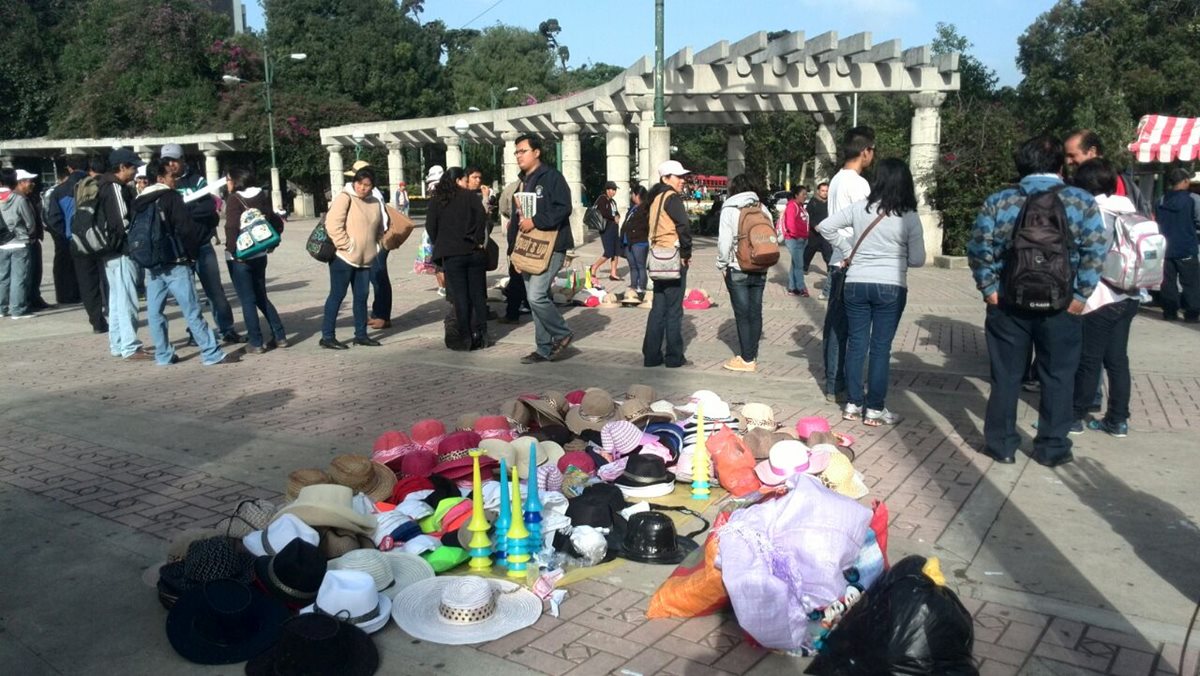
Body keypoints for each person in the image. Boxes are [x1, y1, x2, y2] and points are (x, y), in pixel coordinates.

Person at [968, 135, 1107, 468]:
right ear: (1060, 165)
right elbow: (1096, 251)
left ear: (1021, 164)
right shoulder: (1081, 201)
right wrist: (1079, 297)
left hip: (1007, 303)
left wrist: (989, 289)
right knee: (1058, 376)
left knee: (1006, 376)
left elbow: (978, 248)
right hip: (1061, 307)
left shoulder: (999, 201)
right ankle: (1052, 447)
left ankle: (1001, 444)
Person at [819, 159, 926, 425]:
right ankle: (875, 409)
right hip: (891, 286)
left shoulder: (859, 208)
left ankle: (853, 404)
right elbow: (918, 259)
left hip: (855, 283)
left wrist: (847, 251)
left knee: (857, 344)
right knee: (880, 348)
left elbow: (825, 227)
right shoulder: (909, 216)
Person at [134, 161, 235, 366]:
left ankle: (163, 354)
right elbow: (185, 228)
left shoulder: (139, 200)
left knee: (155, 312)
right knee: (191, 308)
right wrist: (191, 254)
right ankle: (210, 352)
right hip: (175, 261)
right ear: (161, 179)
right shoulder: (170, 197)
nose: (175, 180)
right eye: (171, 177)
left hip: (151, 264)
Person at [1069, 159, 1140, 438]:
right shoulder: (1127, 207)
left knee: (1089, 359)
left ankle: (1074, 416)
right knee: (1117, 360)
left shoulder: (1096, 212)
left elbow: (1089, 256)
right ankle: (1117, 420)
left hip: (1102, 296)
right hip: (1131, 294)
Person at [160, 143, 244, 345]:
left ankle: (227, 328)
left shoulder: (197, 180)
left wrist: (182, 212)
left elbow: (209, 209)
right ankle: (195, 333)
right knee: (189, 296)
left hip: (202, 246)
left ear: (182, 160)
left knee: (215, 291)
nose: (171, 165)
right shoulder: (163, 184)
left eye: (174, 160)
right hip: (179, 250)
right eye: (167, 161)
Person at [821, 127, 876, 403]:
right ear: (865, 151)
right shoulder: (859, 184)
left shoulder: (836, 180)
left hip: (836, 260)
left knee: (835, 324)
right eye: (872, 150)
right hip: (850, 261)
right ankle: (837, 383)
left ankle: (832, 380)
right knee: (848, 329)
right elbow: (865, 223)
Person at [511, 135, 574, 364]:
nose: (519, 155)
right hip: (528, 247)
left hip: (552, 245)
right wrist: (514, 252)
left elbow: (564, 208)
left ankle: (562, 333)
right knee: (536, 297)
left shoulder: (552, 177)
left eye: (523, 151)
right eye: (516, 152)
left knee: (536, 296)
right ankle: (543, 348)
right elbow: (515, 221)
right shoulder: (522, 182)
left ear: (537, 152)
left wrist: (536, 221)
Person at [223, 167, 289, 354]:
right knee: (261, 296)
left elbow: (231, 228)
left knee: (247, 300)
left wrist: (233, 252)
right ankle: (280, 335)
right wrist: (271, 244)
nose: (227, 183)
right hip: (260, 255)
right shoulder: (262, 196)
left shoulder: (234, 199)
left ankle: (256, 341)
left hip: (241, 257)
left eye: (229, 179)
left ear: (237, 180)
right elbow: (276, 222)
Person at [427, 167, 491, 351]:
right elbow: (481, 219)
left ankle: (466, 338)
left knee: (460, 297)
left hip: (452, 254)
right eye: (464, 179)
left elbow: (431, 228)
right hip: (474, 252)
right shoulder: (471, 197)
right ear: (457, 181)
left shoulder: (437, 201)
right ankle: (482, 334)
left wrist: (443, 242)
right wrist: (476, 239)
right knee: (478, 295)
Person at [321, 167, 384, 349]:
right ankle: (327, 336)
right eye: (360, 184)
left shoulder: (374, 202)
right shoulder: (344, 197)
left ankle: (361, 334)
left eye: (367, 185)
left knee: (362, 297)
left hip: (366, 259)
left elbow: (379, 226)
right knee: (337, 295)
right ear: (355, 182)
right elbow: (333, 225)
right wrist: (347, 245)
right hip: (343, 258)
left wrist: (376, 245)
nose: (363, 188)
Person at [99, 149, 151, 360]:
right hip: (121, 250)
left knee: (116, 299)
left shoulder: (102, 184)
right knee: (127, 298)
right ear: (121, 167)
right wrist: (135, 242)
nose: (136, 171)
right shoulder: (114, 187)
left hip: (108, 250)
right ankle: (130, 345)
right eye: (133, 167)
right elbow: (122, 221)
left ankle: (118, 343)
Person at [642, 160, 694, 368]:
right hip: (673, 257)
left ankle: (651, 355)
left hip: (656, 257)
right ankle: (674, 357)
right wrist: (687, 252)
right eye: (678, 176)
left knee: (658, 308)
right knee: (674, 310)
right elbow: (684, 226)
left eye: (683, 177)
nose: (682, 180)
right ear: (666, 178)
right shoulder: (672, 198)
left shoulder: (654, 199)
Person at [718, 174, 772, 373]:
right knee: (755, 311)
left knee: (742, 313)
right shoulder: (763, 209)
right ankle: (752, 353)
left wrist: (722, 265)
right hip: (761, 266)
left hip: (738, 266)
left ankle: (747, 358)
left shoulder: (730, 208)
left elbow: (724, 242)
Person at [1064, 130, 1151, 214]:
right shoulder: (1069, 183)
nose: (1068, 161)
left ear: (1092, 152)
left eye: (1072, 155)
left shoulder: (1121, 184)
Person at [1155, 167, 1200, 323]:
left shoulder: (1160, 200)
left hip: (1166, 249)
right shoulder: (1193, 199)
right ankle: (1192, 313)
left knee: (1168, 283)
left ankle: (1169, 312)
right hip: (1187, 247)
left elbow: (1158, 222)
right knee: (1191, 283)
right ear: (1186, 181)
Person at [0, 169, 39, 320]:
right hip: (20, 242)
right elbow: (30, 222)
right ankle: (17, 309)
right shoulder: (18, 199)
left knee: (3, 276)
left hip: (2, 242)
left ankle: (2, 308)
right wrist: (28, 234)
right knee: (19, 277)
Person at [43, 158, 82, 307]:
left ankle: (66, 295)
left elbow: (51, 216)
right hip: (79, 235)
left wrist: (58, 233)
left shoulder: (56, 191)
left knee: (63, 266)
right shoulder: (91, 185)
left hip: (64, 235)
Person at [496, 178, 527, 325]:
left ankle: (513, 312)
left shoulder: (512, 187)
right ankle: (525, 305)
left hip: (516, 235)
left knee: (516, 275)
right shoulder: (541, 185)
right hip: (528, 236)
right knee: (522, 275)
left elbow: (502, 208)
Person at [588, 181, 622, 282]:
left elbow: (616, 212)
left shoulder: (613, 202)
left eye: (615, 190)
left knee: (616, 252)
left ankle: (613, 273)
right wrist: (613, 217)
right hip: (606, 229)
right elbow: (602, 212)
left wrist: (617, 216)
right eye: (612, 190)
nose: (614, 192)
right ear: (607, 190)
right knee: (608, 252)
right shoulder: (602, 199)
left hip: (614, 228)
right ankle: (593, 267)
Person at [781, 184, 810, 297]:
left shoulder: (801, 206)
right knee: (799, 265)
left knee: (795, 264)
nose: (805, 196)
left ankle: (792, 288)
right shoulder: (792, 206)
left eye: (806, 194)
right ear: (796, 195)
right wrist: (796, 235)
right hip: (795, 239)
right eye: (803, 194)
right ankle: (801, 288)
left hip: (801, 239)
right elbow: (790, 223)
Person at [622, 185, 650, 297]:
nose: (631, 196)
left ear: (636, 195)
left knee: (640, 265)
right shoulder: (633, 207)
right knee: (632, 266)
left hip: (639, 241)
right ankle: (633, 285)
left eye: (632, 194)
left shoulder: (645, 208)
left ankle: (641, 287)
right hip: (629, 241)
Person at [804, 181, 832, 276]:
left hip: (826, 232)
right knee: (809, 251)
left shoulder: (831, 203)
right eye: (823, 190)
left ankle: (830, 271)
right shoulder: (813, 202)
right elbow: (808, 215)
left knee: (828, 252)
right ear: (818, 191)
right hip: (814, 233)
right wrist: (814, 225)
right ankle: (804, 267)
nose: (825, 193)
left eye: (826, 191)